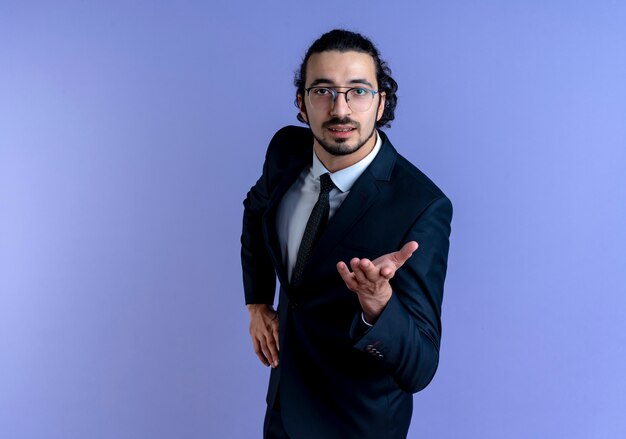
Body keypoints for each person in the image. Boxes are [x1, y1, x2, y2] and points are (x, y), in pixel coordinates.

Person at [241, 29, 452, 439]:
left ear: (381, 103)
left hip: (356, 423)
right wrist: (257, 301)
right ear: (301, 103)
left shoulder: (420, 206)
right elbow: (255, 211)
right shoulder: (285, 151)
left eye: (358, 91)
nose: (340, 109)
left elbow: (421, 366)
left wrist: (379, 305)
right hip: (284, 410)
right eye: (323, 90)